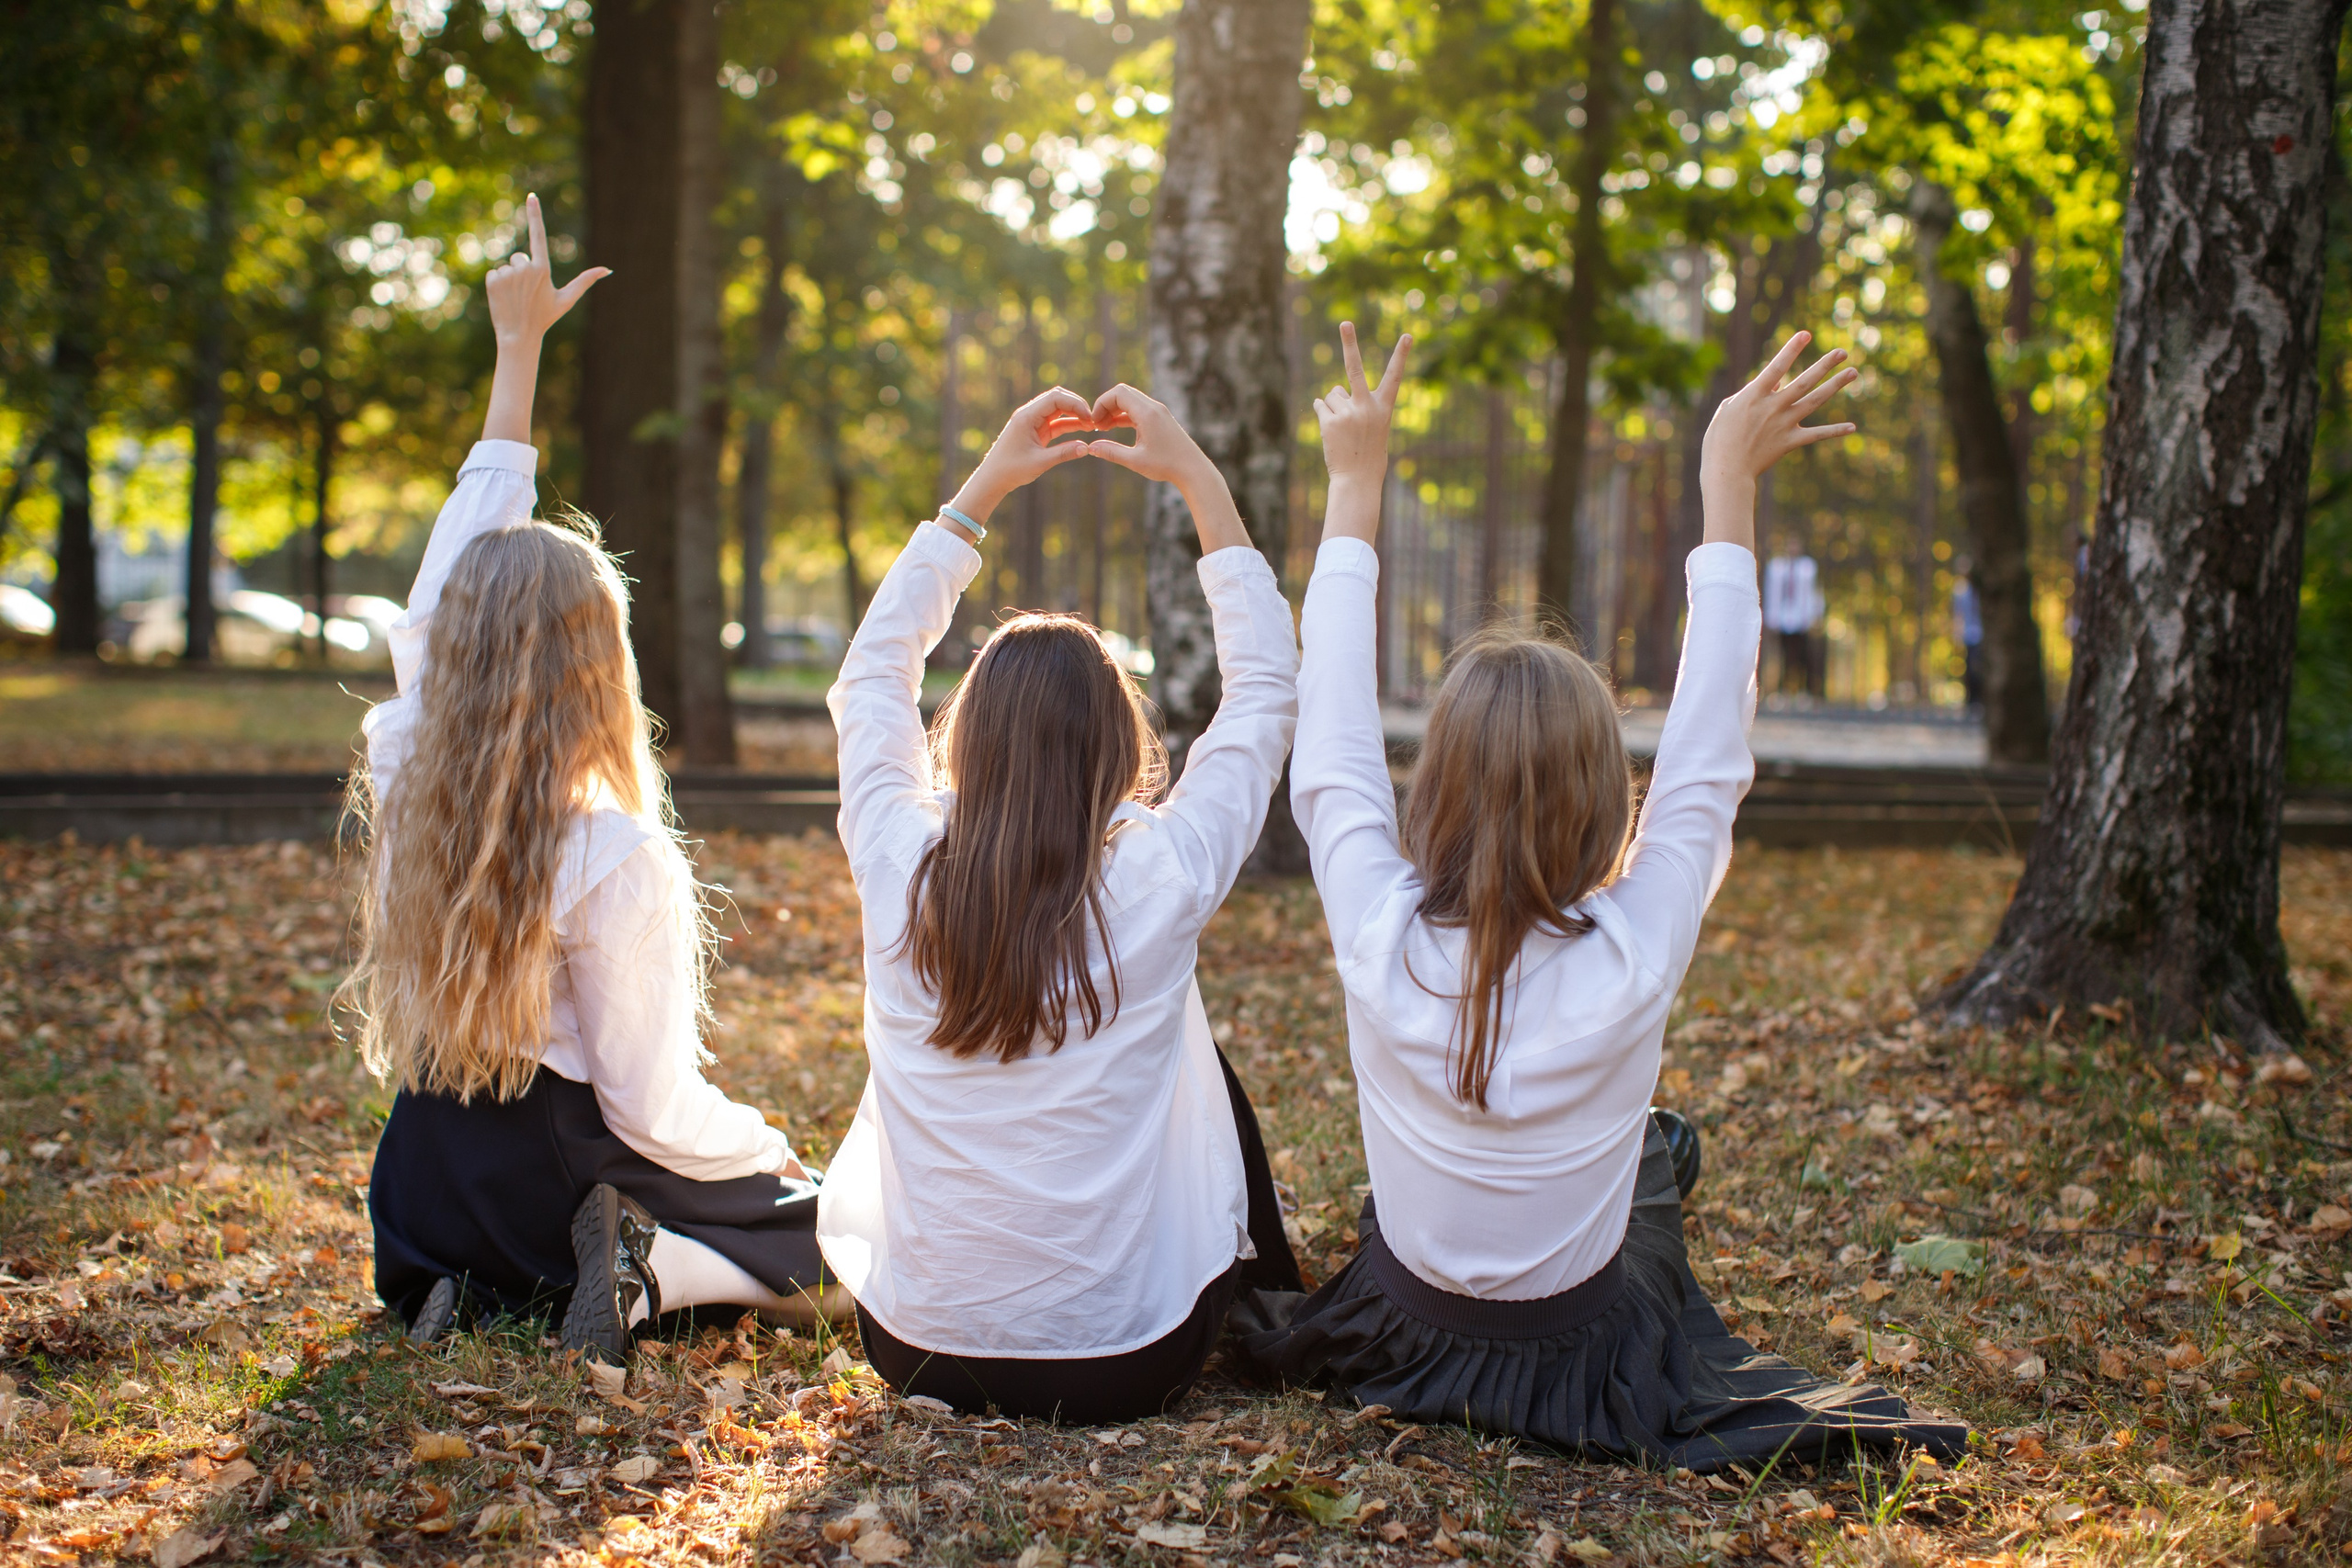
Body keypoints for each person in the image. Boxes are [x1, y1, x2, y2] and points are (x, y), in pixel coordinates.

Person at [1234, 324, 1968, 1472]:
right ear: (1602, 798)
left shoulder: (1376, 928)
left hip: (1403, 1327)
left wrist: (1353, 490)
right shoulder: (1634, 949)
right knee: (1658, 1156)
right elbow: (1707, 760)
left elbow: (1327, 748)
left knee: (1649, 1155)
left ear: (1435, 785)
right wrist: (1726, 488)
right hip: (1578, 1356)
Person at [351, 197, 844, 1360]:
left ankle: (462, 1293)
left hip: (419, 1201)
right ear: (600, 666)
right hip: (558, 1196)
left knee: (728, 1201)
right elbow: (646, 1108)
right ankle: (646, 1273)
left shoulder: (406, 772)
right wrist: (767, 1149)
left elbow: (439, 600)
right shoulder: (613, 852)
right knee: (851, 1241)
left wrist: (515, 357)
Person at [816, 381, 1302, 1425]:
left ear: (970, 736)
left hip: (913, 1349)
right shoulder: (1161, 870)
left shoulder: (898, 857)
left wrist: (981, 492)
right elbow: (1263, 691)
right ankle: (1261, 1285)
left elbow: (870, 680)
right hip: (1124, 1364)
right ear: (1117, 745)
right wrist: (1198, 481)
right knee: (1191, 1043)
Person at [1761, 545, 1824, 698]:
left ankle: (1805, 691)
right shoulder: (1776, 567)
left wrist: (1816, 614)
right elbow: (1771, 592)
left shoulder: (1807, 567)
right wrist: (1771, 617)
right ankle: (1782, 690)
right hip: (1782, 618)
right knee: (1783, 656)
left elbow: (1814, 591)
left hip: (1802, 619)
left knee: (1803, 656)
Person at [1952, 562, 1984, 709]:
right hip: (1969, 634)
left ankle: (1981, 698)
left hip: (1981, 634)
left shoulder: (1982, 592)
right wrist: (1957, 632)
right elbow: (1958, 614)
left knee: (1980, 666)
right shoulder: (1960, 591)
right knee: (1970, 666)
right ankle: (1971, 699)